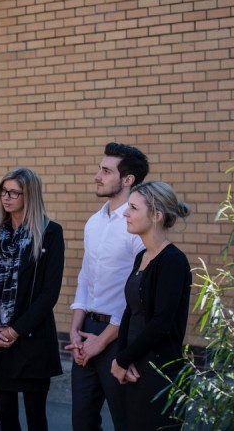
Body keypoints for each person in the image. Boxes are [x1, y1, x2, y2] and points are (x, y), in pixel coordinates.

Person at [66, 142, 149, 431]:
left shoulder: (138, 225)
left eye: (105, 171)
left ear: (127, 180)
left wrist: (101, 342)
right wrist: (75, 330)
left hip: (119, 337)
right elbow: (85, 279)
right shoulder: (93, 222)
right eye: (99, 169)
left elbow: (139, 296)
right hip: (87, 330)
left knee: (124, 421)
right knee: (82, 423)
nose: (96, 176)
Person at [0, 168, 65, 431]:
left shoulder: (50, 233)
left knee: (36, 419)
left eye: (14, 192)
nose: (7, 197)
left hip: (32, 340)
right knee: (6, 419)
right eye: (4, 191)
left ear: (30, 195)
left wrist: (16, 330)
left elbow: (50, 293)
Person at [110, 182, 192, 431]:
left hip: (159, 372)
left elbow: (161, 324)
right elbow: (130, 310)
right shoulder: (142, 256)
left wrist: (123, 359)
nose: (125, 213)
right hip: (135, 366)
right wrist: (122, 358)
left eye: (133, 208)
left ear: (156, 216)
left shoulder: (173, 262)